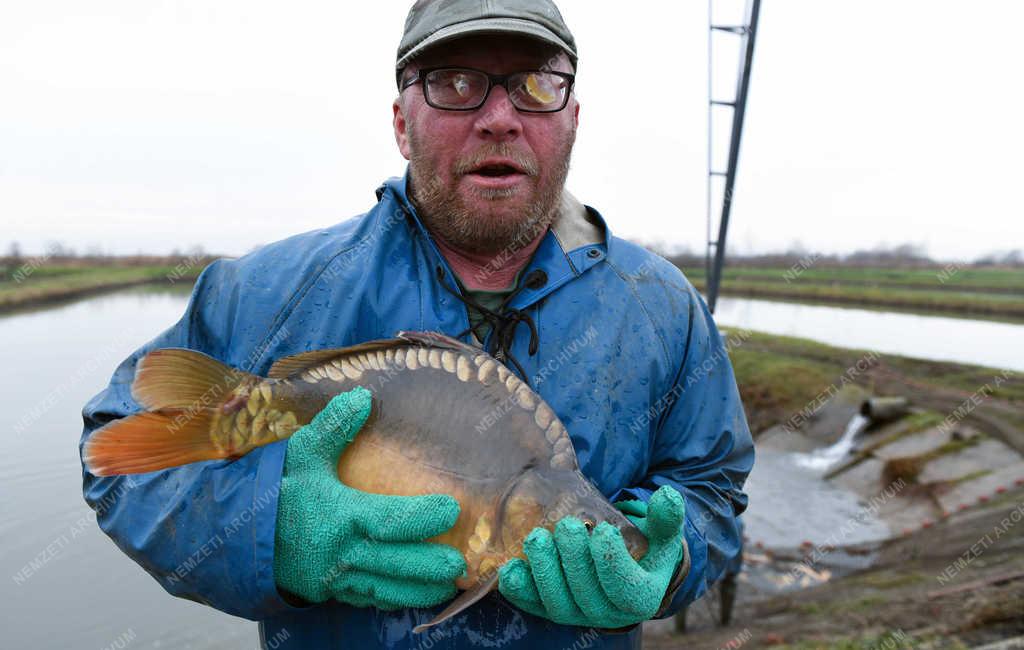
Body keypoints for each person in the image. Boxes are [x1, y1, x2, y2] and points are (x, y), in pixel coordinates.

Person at [79, 1, 754, 648]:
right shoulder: (273, 292)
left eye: (534, 85)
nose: (498, 117)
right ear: (403, 123)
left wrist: (669, 559)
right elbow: (114, 458)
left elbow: (714, 491)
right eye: (455, 83)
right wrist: (269, 533)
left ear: (571, 119)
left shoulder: (661, 306)